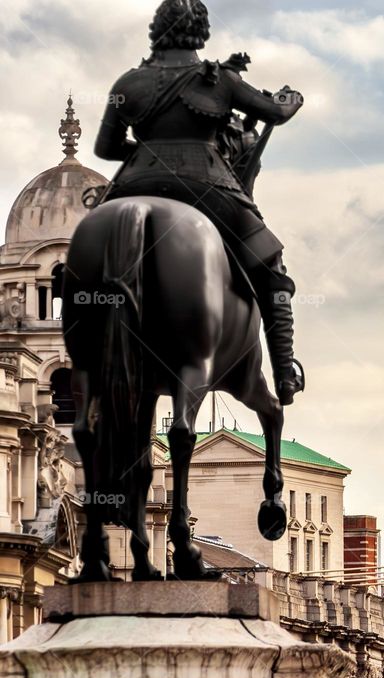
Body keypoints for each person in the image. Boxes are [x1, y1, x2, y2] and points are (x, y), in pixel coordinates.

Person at [94, 0, 305, 404]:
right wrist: (291, 97)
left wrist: (147, 154)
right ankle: (284, 371)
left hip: (134, 186)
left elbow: (105, 148)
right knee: (271, 267)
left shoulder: (128, 83)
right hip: (208, 189)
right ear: (201, 33)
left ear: (156, 30)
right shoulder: (219, 80)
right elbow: (275, 113)